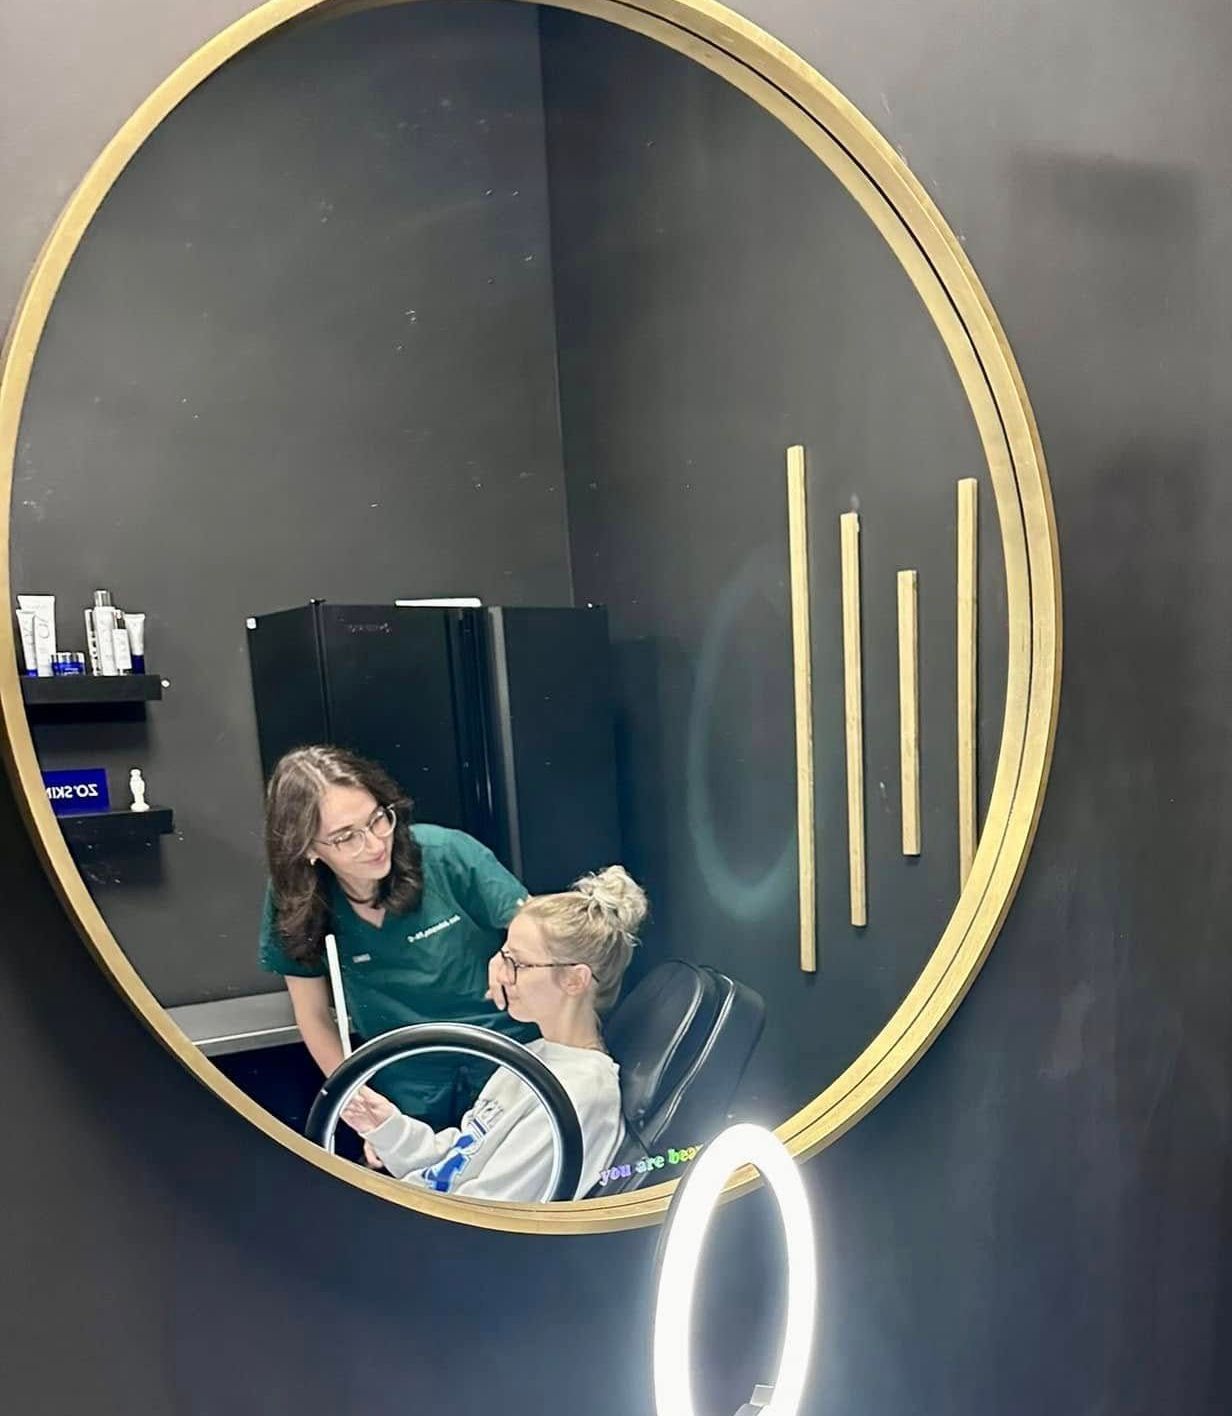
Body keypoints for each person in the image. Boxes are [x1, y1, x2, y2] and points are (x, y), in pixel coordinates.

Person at [258, 744, 536, 1130]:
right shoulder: (297, 899)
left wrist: (512, 954)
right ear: (307, 848)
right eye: (345, 837)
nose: (373, 844)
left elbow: (548, 933)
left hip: (509, 1062)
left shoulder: (446, 854)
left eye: (377, 820)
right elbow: (313, 1015)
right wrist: (360, 1103)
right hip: (408, 1089)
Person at [341, 866, 647, 1202]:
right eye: (502, 956)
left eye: (518, 963)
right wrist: (389, 1128)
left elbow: (494, 1212)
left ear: (575, 980)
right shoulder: (532, 1057)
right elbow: (464, 1157)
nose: (500, 974)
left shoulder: (579, 1095)